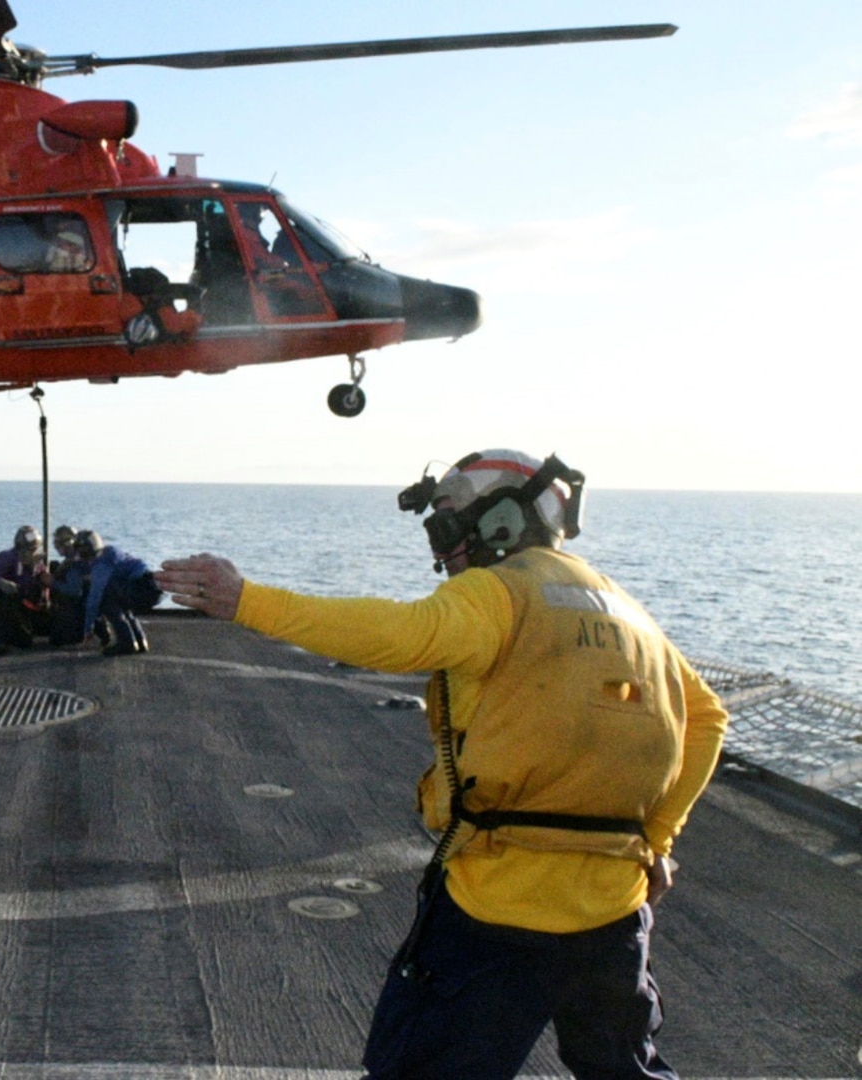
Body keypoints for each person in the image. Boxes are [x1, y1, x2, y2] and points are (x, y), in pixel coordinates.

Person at [155, 450, 729, 1079]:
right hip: (613, 908)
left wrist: (247, 600)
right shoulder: (630, 613)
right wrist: (657, 839)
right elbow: (706, 719)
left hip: (499, 904)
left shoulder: (498, 593)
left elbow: (400, 633)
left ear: (503, 520)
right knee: (625, 1069)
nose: (445, 550)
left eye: (448, 527)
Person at [77, 529, 162, 657]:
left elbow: (94, 600)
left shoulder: (101, 565)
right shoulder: (111, 552)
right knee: (122, 604)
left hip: (139, 590)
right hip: (150, 586)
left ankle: (127, 643)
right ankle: (140, 640)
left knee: (106, 600)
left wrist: (88, 628)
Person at [0, 525, 49, 654]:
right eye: (31, 550)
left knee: (24, 642)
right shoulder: (9, 558)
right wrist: (3, 583)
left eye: (35, 549)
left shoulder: (37, 564)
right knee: (6, 598)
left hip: (19, 600)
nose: (34, 553)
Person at [43, 525, 90, 646]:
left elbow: (74, 591)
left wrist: (53, 582)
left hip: (76, 607)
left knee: (56, 640)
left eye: (58, 542)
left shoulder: (73, 565)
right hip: (85, 602)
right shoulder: (77, 558)